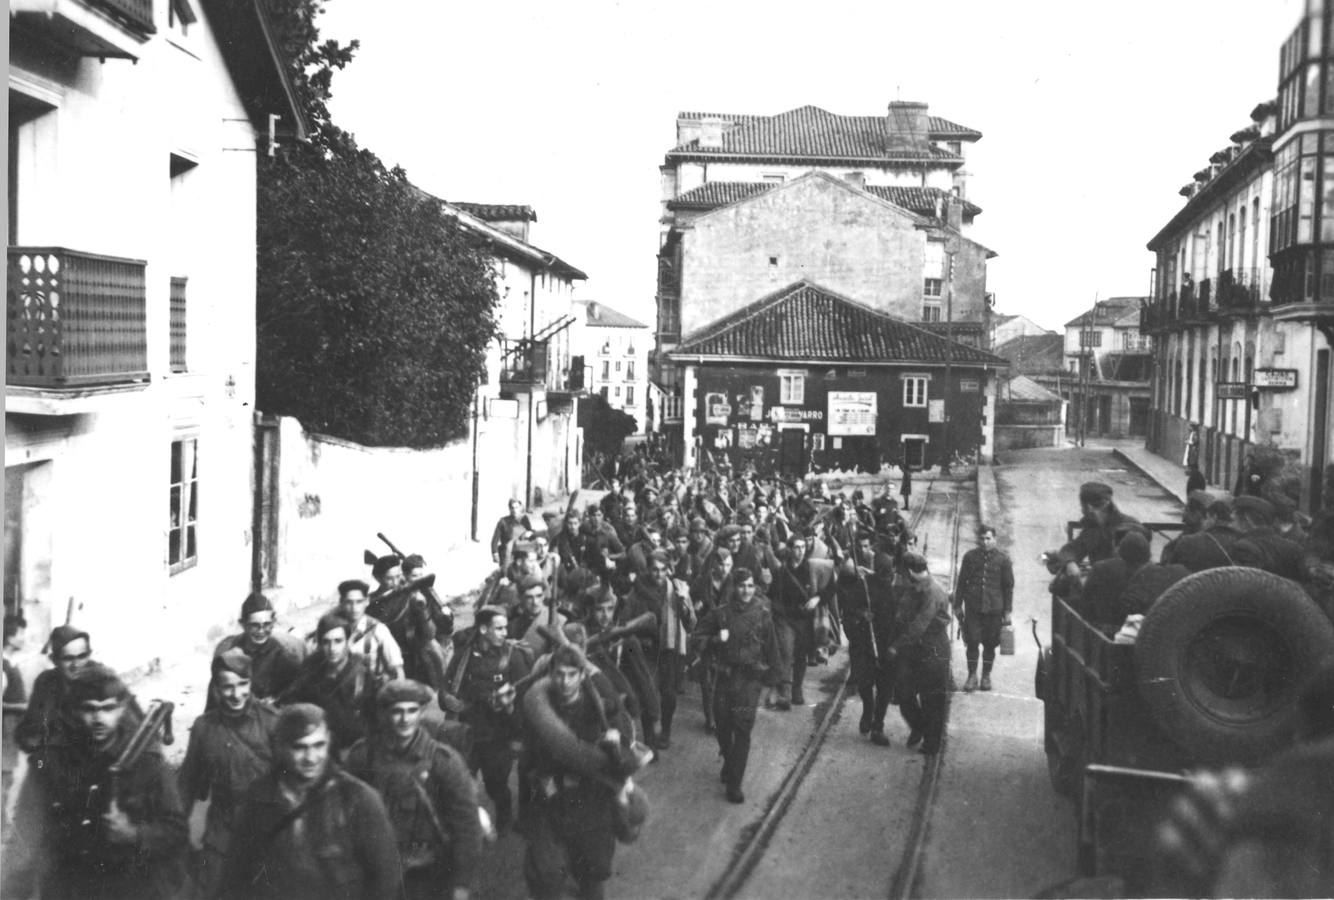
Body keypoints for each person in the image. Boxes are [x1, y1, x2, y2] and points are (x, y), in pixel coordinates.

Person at [4, 663, 188, 900]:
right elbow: (24, 842)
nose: (99, 718)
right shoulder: (49, 763)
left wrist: (134, 834)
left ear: (122, 708)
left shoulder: (147, 763)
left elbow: (177, 831)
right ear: (73, 710)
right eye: (90, 709)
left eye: (108, 708)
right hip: (69, 889)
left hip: (131, 889)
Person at [218, 704, 402, 900]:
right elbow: (235, 874)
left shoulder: (357, 798)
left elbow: (386, 879)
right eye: (300, 747)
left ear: (329, 741)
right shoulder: (259, 797)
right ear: (280, 746)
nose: (311, 758)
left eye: (319, 745)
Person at [521, 644, 643, 900]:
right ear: (550, 674)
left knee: (593, 878)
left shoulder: (603, 711)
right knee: (545, 877)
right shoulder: (541, 710)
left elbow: (630, 763)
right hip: (551, 804)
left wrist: (615, 748)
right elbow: (527, 758)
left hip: (592, 805)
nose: (565, 682)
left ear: (581, 675)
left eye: (571, 674)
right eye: (559, 674)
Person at [345, 680, 481, 900]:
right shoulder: (363, 757)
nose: (405, 719)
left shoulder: (443, 761)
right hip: (378, 870)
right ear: (384, 713)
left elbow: (467, 826)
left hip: (429, 873)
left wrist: (462, 884)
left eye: (411, 711)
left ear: (421, 712)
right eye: (397, 711)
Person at [178, 648, 280, 897]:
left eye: (243, 684)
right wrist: (175, 831)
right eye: (227, 687)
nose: (236, 694)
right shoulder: (204, 728)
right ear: (216, 688)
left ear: (251, 681)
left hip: (268, 825)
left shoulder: (272, 722)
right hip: (223, 828)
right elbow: (187, 784)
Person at [692, 567, 781, 803]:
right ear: (733, 587)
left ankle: (735, 783)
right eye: (742, 585)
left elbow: (772, 650)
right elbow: (696, 638)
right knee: (722, 726)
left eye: (750, 586)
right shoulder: (720, 614)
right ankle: (730, 764)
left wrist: (774, 686)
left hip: (749, 681)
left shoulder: (762, 614)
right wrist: (712, 640)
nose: (746, 590)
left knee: (742, 729)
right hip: (725, 679)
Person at [439, 607, 531, 833]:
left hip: (498, 734)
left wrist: (518, 732)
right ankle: (468, 828)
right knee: (462, 782)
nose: (503, 633)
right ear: (483, 629)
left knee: (495, 784)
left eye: (505, 628)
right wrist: (448, 700)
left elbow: (525, 699)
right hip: (468, 732)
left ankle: (504, 817)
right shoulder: (464, 656)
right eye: (498, 628)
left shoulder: (512, 656)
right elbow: (447, 687)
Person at [621, 549, 695, 750]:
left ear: (668, 570)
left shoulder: (678, 589)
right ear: (648, 570)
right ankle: (650, 740)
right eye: (654, 570)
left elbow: (690, 623)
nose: (659, 575)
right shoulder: (638, 591)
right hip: (646, 649)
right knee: (648, 692)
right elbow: (625, 620)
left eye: (663, 570)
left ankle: (666, 731)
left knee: (669, 694)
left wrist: (683, 601)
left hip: (669, 647)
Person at [279, 612, 377, 753]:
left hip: (353, 748)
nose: (332, 649)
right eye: (326, 642)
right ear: (319, 644)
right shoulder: (310, 670)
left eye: (338, 641)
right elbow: (292, 702)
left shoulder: (362, 674)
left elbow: (375, 719)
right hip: (319, 746)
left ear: (348, 642)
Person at [887, 552, 952, 755]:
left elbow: (918, 626)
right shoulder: (912, 585)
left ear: (910, 573)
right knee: (903, 692)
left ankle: (932, 743)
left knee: (932, 698)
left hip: (933, 648)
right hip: (913, 648)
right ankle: (919, 726)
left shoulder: (932, 591)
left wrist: (895, 647)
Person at [838, 533, 897, 743]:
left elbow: (900, 607)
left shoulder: (890, 576)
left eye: (866, 546)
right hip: (863, 640)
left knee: (885, 686)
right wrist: (862, 615)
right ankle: (868, 708)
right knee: (864, 682)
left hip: (886, 639)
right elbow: (847, 606)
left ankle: (878, 726)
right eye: (859, 546)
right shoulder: (857, 577)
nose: (864, 550)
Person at [15, 624, 95, 757]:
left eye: (82, 656)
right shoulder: (46, 681)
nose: (76, 665)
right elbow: (32, 724)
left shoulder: (102, 682)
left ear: (89, 654)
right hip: (51, 760)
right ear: (54, 660)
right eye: (68, 658)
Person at [213, 591, 307, 704]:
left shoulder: (286, 655)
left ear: (273, 623)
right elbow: (216, 691)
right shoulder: (226, 649)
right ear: (243, 624)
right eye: (254, 625)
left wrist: (275, 701)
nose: (261, 631)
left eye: (267, 624)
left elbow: (296, 691)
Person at [952, 525, 1014, 692]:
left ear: (994, 539)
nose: (985, 542)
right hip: (973, 608)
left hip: (995, 610)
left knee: (990, 644)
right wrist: (957, 605)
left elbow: (1008, 587)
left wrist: (1007, 612)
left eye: (988, 538)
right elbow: (962, 583)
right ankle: (972, 675)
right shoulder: (970, 557)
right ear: (978, 540)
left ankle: (986, 676)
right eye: (982, 539)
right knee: (971, 642)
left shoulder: (1003, 559)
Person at [1058, 481, 1143, 570]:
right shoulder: (1093, 528)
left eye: (1082, 507)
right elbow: (1074, 548)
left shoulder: (1128, 527)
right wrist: (1070, 562)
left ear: (1089, 508)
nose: (1082, 512)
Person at [338, 578, 406, 683]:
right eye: (349, 602)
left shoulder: (378, 630)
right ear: (341, 603)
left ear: (366, 602)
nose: (354, 608)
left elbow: (397, 669)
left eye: (359, 602)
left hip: (372, 692)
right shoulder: (335, 630)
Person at [492, 498, 535, 568]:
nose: (514, 510)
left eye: (516, 507)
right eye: (512, 508)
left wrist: (530, 533)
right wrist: (495, 553)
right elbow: (495, 540)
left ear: (520, 508)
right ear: (509, 509)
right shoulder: (503, 522)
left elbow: (530, 534)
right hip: (507, 554)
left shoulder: (524, 520)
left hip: (522, 553)